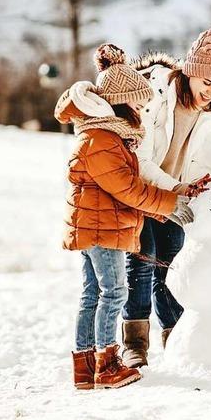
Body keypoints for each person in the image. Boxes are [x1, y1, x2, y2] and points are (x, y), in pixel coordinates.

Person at [55, 43, 192, 389]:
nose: (142, 111)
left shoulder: (107, 136)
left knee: (92, 294)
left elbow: (123, 190)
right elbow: (127, 188)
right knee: (113, 292)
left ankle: (85, 370)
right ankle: (107, 363)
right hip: (102, 228)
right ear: (119, 102)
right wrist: (168, 203)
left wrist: (155, 208)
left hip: (98, 224)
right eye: (137, 103)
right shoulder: (102, 139)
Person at [120, 27, 211, 368]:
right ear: (191, 71)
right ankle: (135, 343)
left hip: (176, 196)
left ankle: (177, 337)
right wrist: (174, 188)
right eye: (206, 82)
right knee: (144, 259)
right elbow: (139, 157)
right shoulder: (154, 93)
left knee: (171, 265)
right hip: (140, 190)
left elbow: (204, 165)